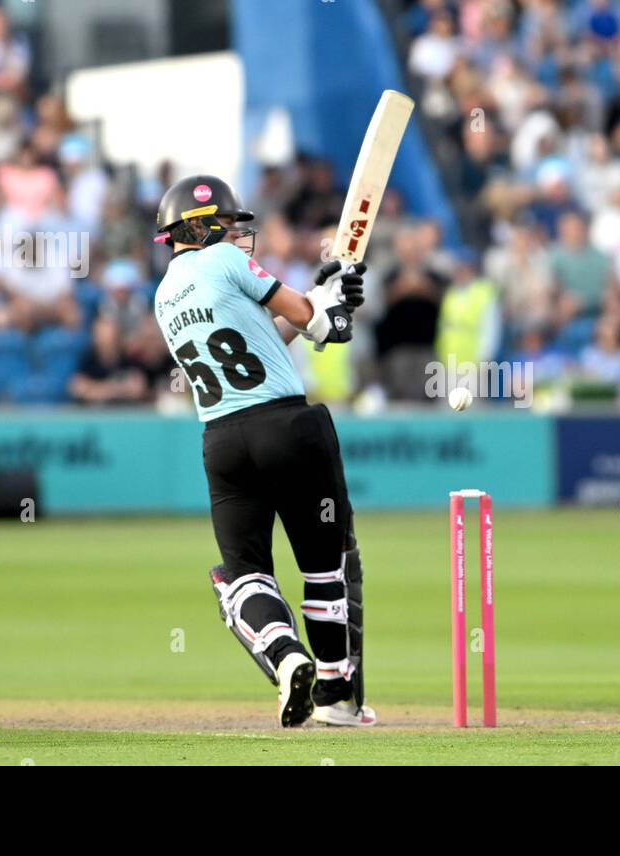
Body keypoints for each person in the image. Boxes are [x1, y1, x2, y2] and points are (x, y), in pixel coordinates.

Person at [152, 175, 371, 728]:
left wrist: (320, 299)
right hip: (288, 426)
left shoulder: (163, 297)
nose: (234, 233)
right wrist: (330, 312)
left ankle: (284, 655)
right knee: (323, 569)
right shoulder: (225, 260)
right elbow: (312, 322)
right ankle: (334, 694)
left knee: (245, 573)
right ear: (198, 227)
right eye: (225, 224)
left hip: (223, 443)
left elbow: (262, 339)